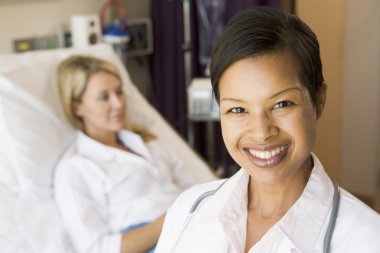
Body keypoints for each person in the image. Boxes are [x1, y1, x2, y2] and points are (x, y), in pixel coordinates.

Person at [155, 7, 380, 253]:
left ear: (319, 100)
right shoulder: (187, 212)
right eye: (238, 110)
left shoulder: (367, 239)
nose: (261, 133)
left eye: (281, 104)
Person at [54, 55, 194, 253]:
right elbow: (97, 249)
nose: (118, 104)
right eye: (104, 97)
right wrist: (172, 219)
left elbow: (193, 189)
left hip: (192, 227)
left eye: (119, 93)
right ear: (77, 107)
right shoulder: (76, 169)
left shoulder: (147, 142)